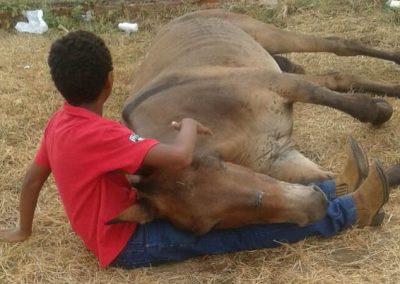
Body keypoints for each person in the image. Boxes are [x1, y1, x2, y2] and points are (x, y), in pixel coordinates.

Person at [0, 31, 391, 269]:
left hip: (108, 228)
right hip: (131, 244)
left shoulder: (59, 124)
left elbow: (33, 179)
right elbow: (180, 158)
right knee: (240, 233)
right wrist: (186, 127)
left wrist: (23, 228)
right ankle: (349, 212)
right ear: (110, 80)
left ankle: (328, 189)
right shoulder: (104, 134)